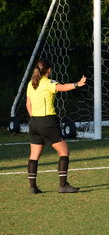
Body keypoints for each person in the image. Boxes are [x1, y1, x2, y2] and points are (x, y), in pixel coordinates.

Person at [25, 59, 87, 194]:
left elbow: (28, 105)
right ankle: (63, 185)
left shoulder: (31, 83)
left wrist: (34, 119)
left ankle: (32, 187)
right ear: (48, 70)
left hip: (34, 122)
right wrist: (78, 84)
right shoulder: (48, 83)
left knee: (34, 156)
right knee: (64, 152)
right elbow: (63, 87)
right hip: (48, 122)